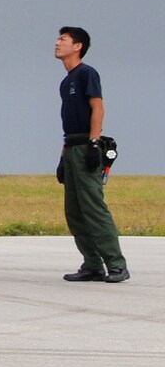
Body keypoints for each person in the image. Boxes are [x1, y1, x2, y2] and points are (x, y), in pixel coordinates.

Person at [54, 26, 127, 283]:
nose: (57, 43)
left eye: (63, 39)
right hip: (72, 146)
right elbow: (69, 122)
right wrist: (63, 158)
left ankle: (116, 265)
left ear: (78, 46)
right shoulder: (66, 81)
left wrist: (94, 144)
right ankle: (93, 264)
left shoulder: (87, 74)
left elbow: (98, 108)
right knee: (74, 210)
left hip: (86, 146)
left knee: (93, 208)